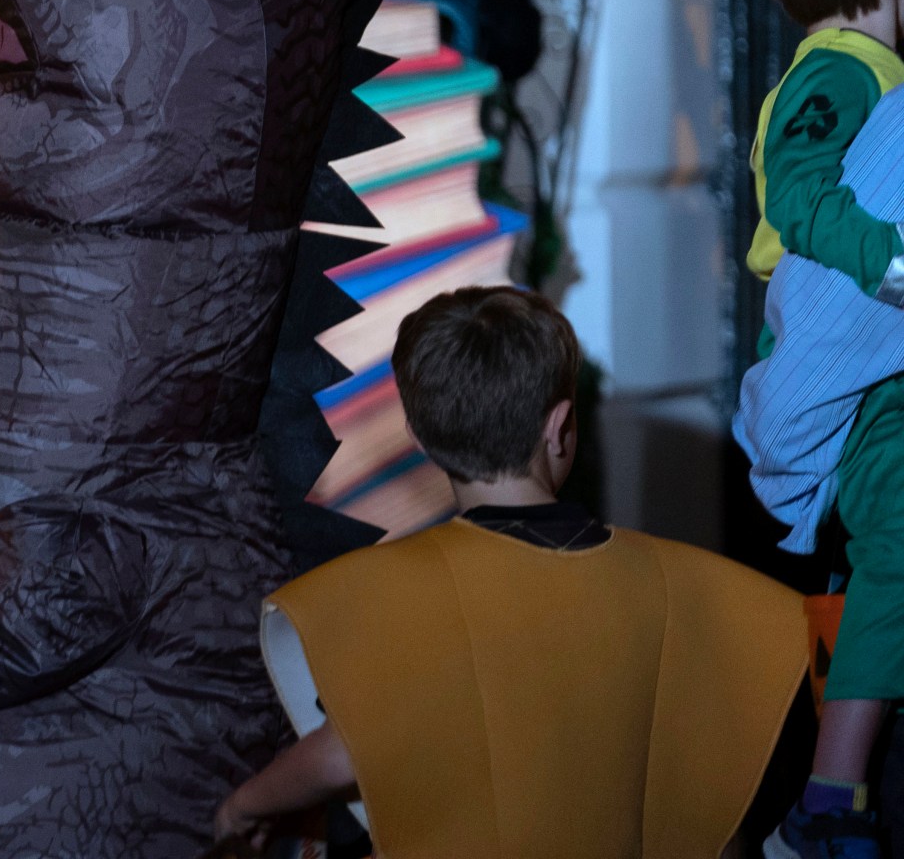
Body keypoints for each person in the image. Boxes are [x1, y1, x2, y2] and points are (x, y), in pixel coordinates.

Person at [213, 287, 803, 857]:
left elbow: (347, 752)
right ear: (560, 427)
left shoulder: (392, 593)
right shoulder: (685, 585)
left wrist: (244, 805)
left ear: (420, 438)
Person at [721, 0, 904, 858]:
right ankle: (829, 802)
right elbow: (796, 196)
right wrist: (886, 259)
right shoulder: (836, 73)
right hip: (836, 372)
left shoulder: (856, 70)